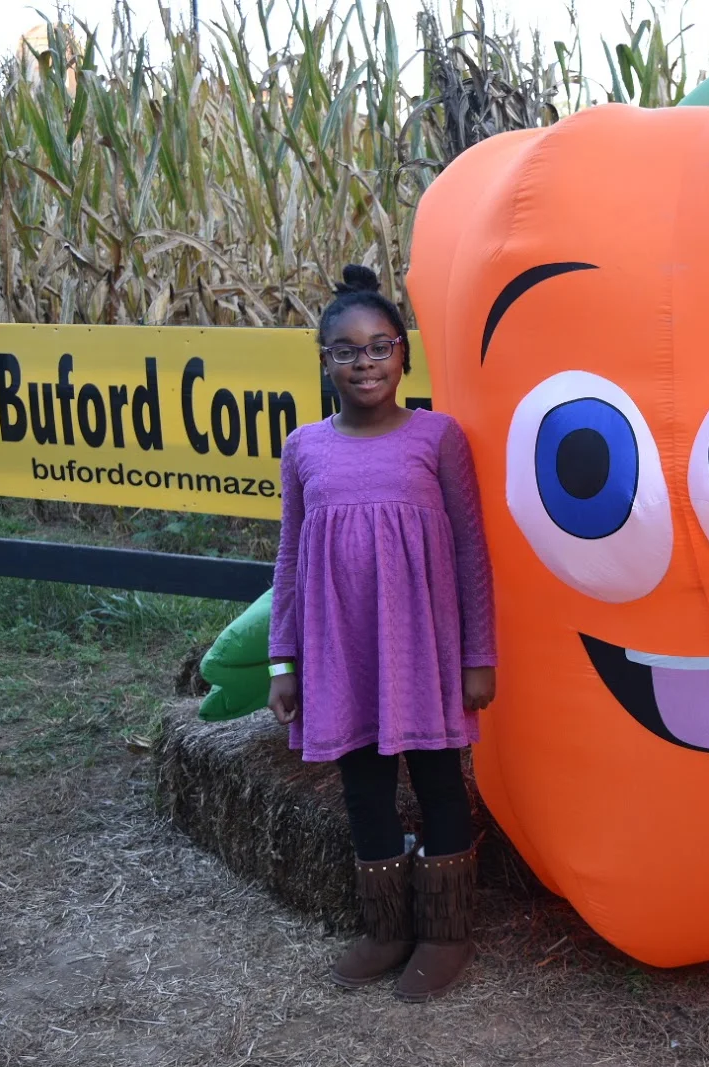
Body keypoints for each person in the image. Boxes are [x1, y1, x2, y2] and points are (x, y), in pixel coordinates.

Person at [266, 264, 497, 1001]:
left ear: (404, 355)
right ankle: (387, 927)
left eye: (378, 347)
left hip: (422, 651)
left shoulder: (438, 438)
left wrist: (478, 656)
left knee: (438, 783)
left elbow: (470, 549)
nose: (363, 362)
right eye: (346, 349)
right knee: (364, 787)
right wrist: (283, 657)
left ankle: (447, 931)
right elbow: (291, 555)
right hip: (343, 654)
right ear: (323, 360)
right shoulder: (305, 448)